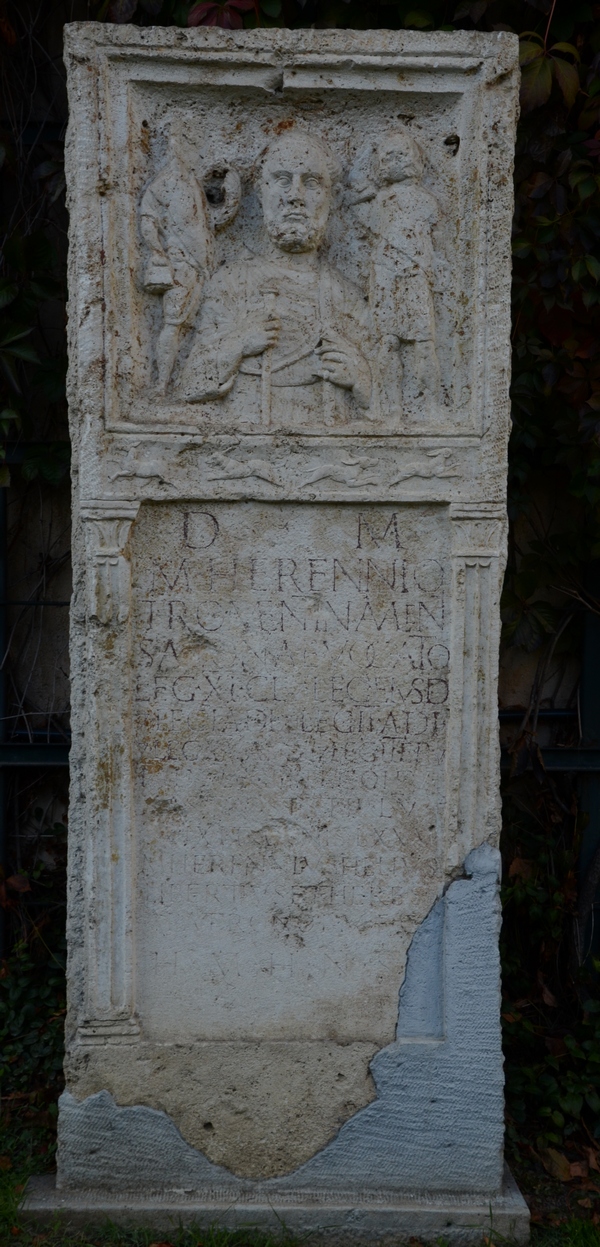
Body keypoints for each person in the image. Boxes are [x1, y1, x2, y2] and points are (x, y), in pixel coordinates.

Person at [181, 131, 374, 428]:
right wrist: (240, 342)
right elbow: (191, 384)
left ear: (330, 198)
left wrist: (362, 381)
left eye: (311, 183)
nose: (295, 196)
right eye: (282, 180)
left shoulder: (345, 296)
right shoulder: (232, 283)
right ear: (261, 193)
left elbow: (395, 402)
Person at [351, 129, 442, 414]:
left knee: (424, 343)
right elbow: (369, 224)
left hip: (414, 273)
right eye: (386, 156)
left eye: (400, 154)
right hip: (385, 272)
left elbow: (425, 233)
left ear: (414, 160)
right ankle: (389, 406)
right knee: (387, 341)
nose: (393, 161)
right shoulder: (379, 200)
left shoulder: (425, 200)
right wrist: (360, 197)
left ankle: (432, 405)